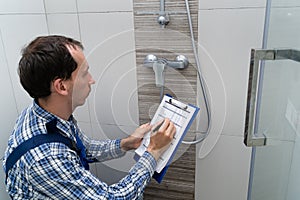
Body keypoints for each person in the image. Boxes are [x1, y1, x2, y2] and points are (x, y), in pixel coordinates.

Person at [3, 35, 176, 199]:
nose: (91, 80)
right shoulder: (46, 158)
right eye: (85, 73)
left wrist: (126, 143)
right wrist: (153, 151)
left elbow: (83, 148)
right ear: (62, 86)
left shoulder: (46, 114)